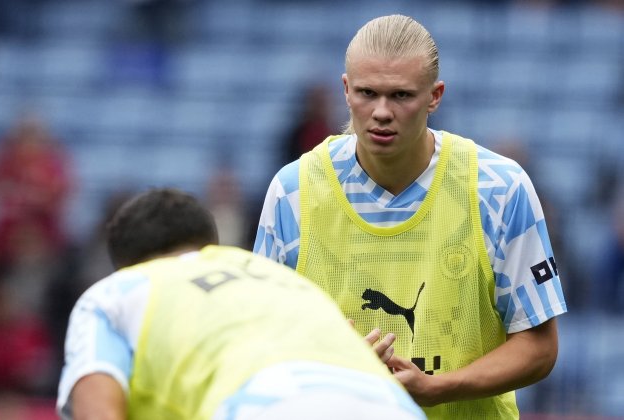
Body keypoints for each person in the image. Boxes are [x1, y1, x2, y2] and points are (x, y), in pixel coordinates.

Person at [253, 14, 567, 419]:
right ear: (346, 91)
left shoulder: (498, 188)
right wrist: (333, 362)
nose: (382, 111)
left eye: (401, 96)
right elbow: (260, 342)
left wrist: (438, 388)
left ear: (435, 96)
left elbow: (540, 347)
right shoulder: (292, 192)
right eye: (367, 93)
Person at [56, 188, 426, 420]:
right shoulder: (279, 278)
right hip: (391, 406)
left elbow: (98, 409)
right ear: (212, 244)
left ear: (126, 264)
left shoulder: (116, 292)